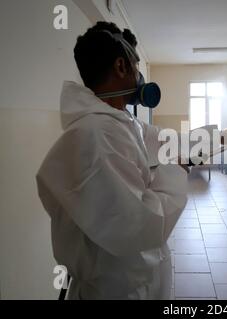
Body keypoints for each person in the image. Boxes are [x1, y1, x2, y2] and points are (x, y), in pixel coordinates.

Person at [36, 22, 188, 300]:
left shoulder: (122, 124)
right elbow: (139, 223)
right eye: (136, 64)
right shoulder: (97, 135)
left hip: (131, 280)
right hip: (118, 289)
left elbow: (165, 139)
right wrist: (174, 172)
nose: (139, 75)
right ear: (121, 66)